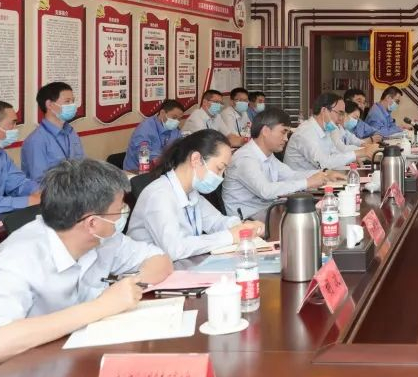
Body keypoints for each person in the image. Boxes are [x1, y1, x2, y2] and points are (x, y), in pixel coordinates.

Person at [0, 159, 172, 377]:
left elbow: (160, 260)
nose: (123, 213)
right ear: (92, 222)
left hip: (45, 365)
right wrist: (103, 306)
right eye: (119, 209)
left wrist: (131, 286)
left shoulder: (102, 239)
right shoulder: (18, 259)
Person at [127, 130, 265, 260]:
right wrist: (229, 236)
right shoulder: (159, 195)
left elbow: (216, 222)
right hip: (145, 272)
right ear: (196, 159)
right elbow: (175, 249)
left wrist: (243, 226)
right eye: (219, 168)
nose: (220, 176)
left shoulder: (191, 193)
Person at [221, 108, 329, 221]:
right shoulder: (245, 158)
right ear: (265, 131)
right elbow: (266, 191)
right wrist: (307, 182)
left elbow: (291, 175)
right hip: (248, 221)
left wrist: (324, 174)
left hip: (267, 212)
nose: (286, 139)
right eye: (283, 132)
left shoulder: (267, 155)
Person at [286, 93, 380, 172]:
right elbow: (324, 163)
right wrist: (360, 152)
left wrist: (352, 158)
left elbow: (336, 154)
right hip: (301, 186)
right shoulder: (306, 132)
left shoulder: (326, 129)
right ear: (324, 110)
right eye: (340, 113)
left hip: (319, 179)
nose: (341, 118)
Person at [20, 82, 84, 182]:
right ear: (49, 104)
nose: (73, 106)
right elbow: (40, 182)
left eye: (73, 101)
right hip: (51, 191)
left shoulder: (71, 133)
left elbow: (82, 165)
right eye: (67, 101)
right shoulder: (36, 140)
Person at [124, 100, 184, 172]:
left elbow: (180, 148)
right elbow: (143, 155)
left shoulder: (175, 130)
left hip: (162, 170)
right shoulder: (145, 128)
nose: (177, 122)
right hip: (136, 171)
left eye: (179, 119)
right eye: (174, 117)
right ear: (162, 113)